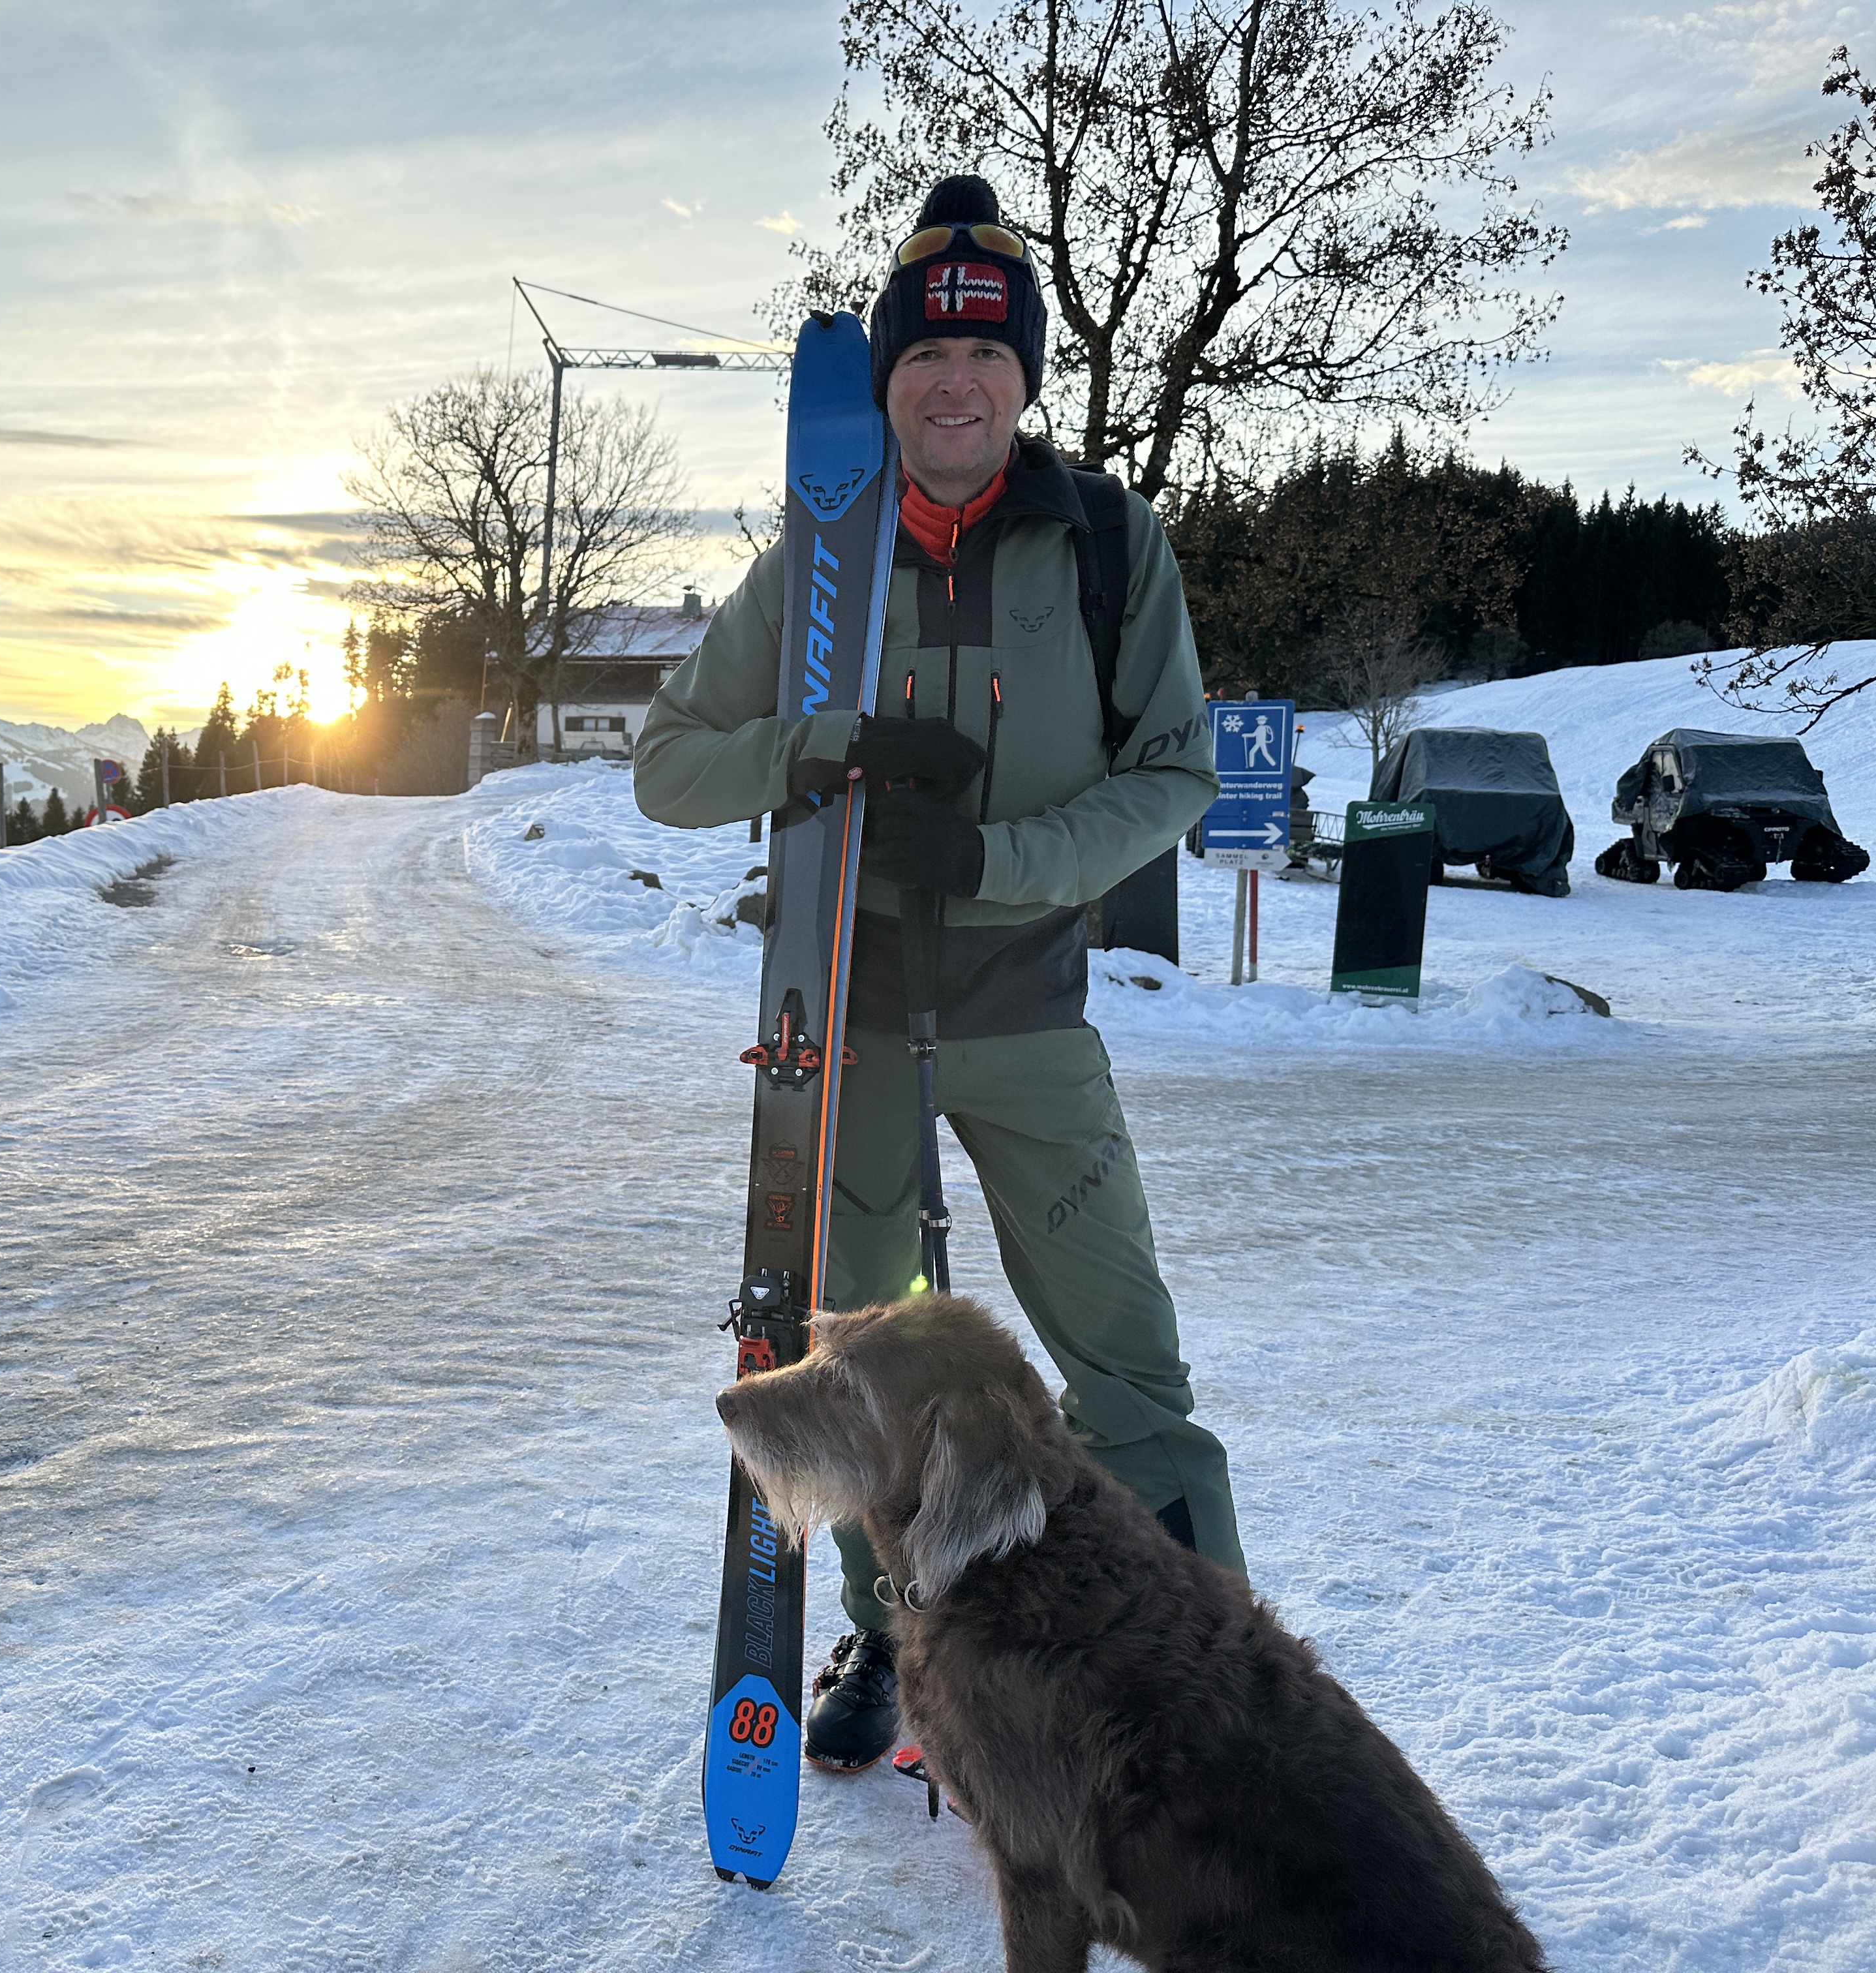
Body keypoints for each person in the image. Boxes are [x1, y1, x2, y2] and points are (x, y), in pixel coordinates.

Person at [632, 174, 1245, 1775]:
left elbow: (1174, 774)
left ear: (1023, 377)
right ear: (888, 382)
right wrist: (825, 746)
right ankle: (900, 1647)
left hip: (1027, 1013)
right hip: (846, 1024)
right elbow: (669, 766)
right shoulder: (819, 560)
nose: (954, 383)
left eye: (985, 354)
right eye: (923, 356)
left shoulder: (1107, 544)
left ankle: (1200, 1665)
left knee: (1126, 1361)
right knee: (864, 1375)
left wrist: (993, 860)